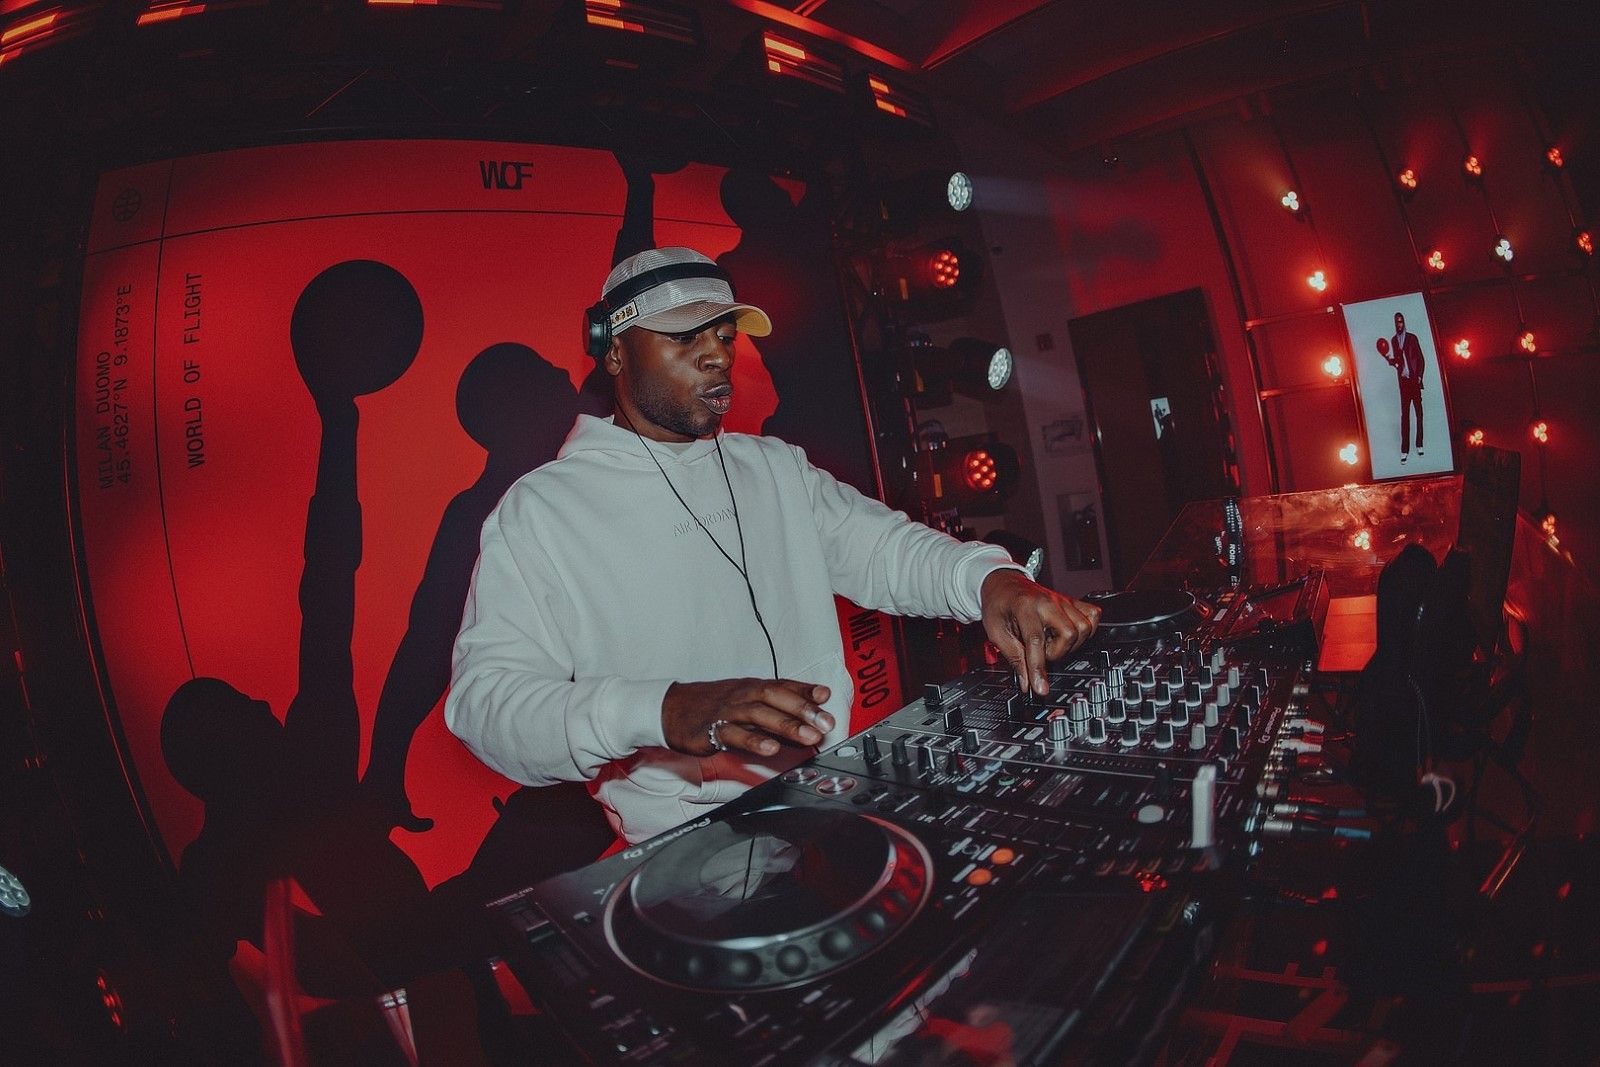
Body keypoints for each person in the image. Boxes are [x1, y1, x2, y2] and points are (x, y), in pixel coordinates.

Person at [444, 247, 1101, 844]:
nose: (717, 355)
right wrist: (659, 709)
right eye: (685, 336)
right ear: (613, 351)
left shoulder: (773, 467)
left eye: (725, 335)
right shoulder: (544, 510)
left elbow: (885, 550)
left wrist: (990, 580)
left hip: (832, 798)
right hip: (688, 848)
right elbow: (483, 706)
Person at [1385, 311, 1426, 462]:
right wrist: (1391, 361)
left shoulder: (1412, 338)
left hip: (1414, 381)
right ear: (1395, 323)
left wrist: (1419, 376)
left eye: (1401, 321)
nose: (1399, 324)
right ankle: (1405, 450)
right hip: (1404, 383)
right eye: (1397, 322)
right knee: (1405, 416)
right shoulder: (1394, 340)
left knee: (1419, 414)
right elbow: (1398, 361)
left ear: (1404, 322)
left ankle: (1419, 444)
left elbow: (1421, 358)